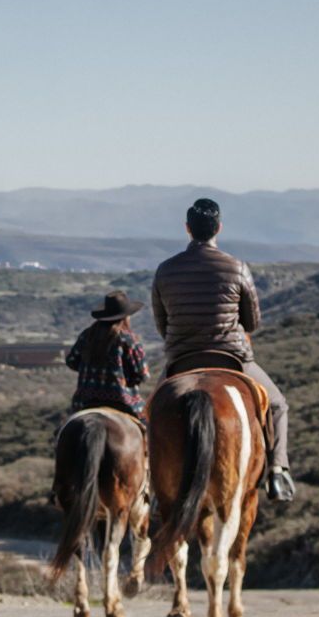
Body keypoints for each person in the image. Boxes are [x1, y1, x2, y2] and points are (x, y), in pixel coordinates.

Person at [150, 198, 295, 502]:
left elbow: (162, 324)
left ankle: (149, 483)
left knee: (150, 413)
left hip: (181, 360)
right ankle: (278, 471)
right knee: (278, 405)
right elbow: (252, 322)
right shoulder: (236, 267)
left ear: (188, 229)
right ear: (218, 228)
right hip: (231, 358)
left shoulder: (166, 270)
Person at [65, 290, 150, 423]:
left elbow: (71, 361)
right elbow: (142, 374)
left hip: (84, 401)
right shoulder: (128, 339)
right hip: (122, 402)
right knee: (148, 427)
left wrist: (89, 371)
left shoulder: (87, 335)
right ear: (125, 317)